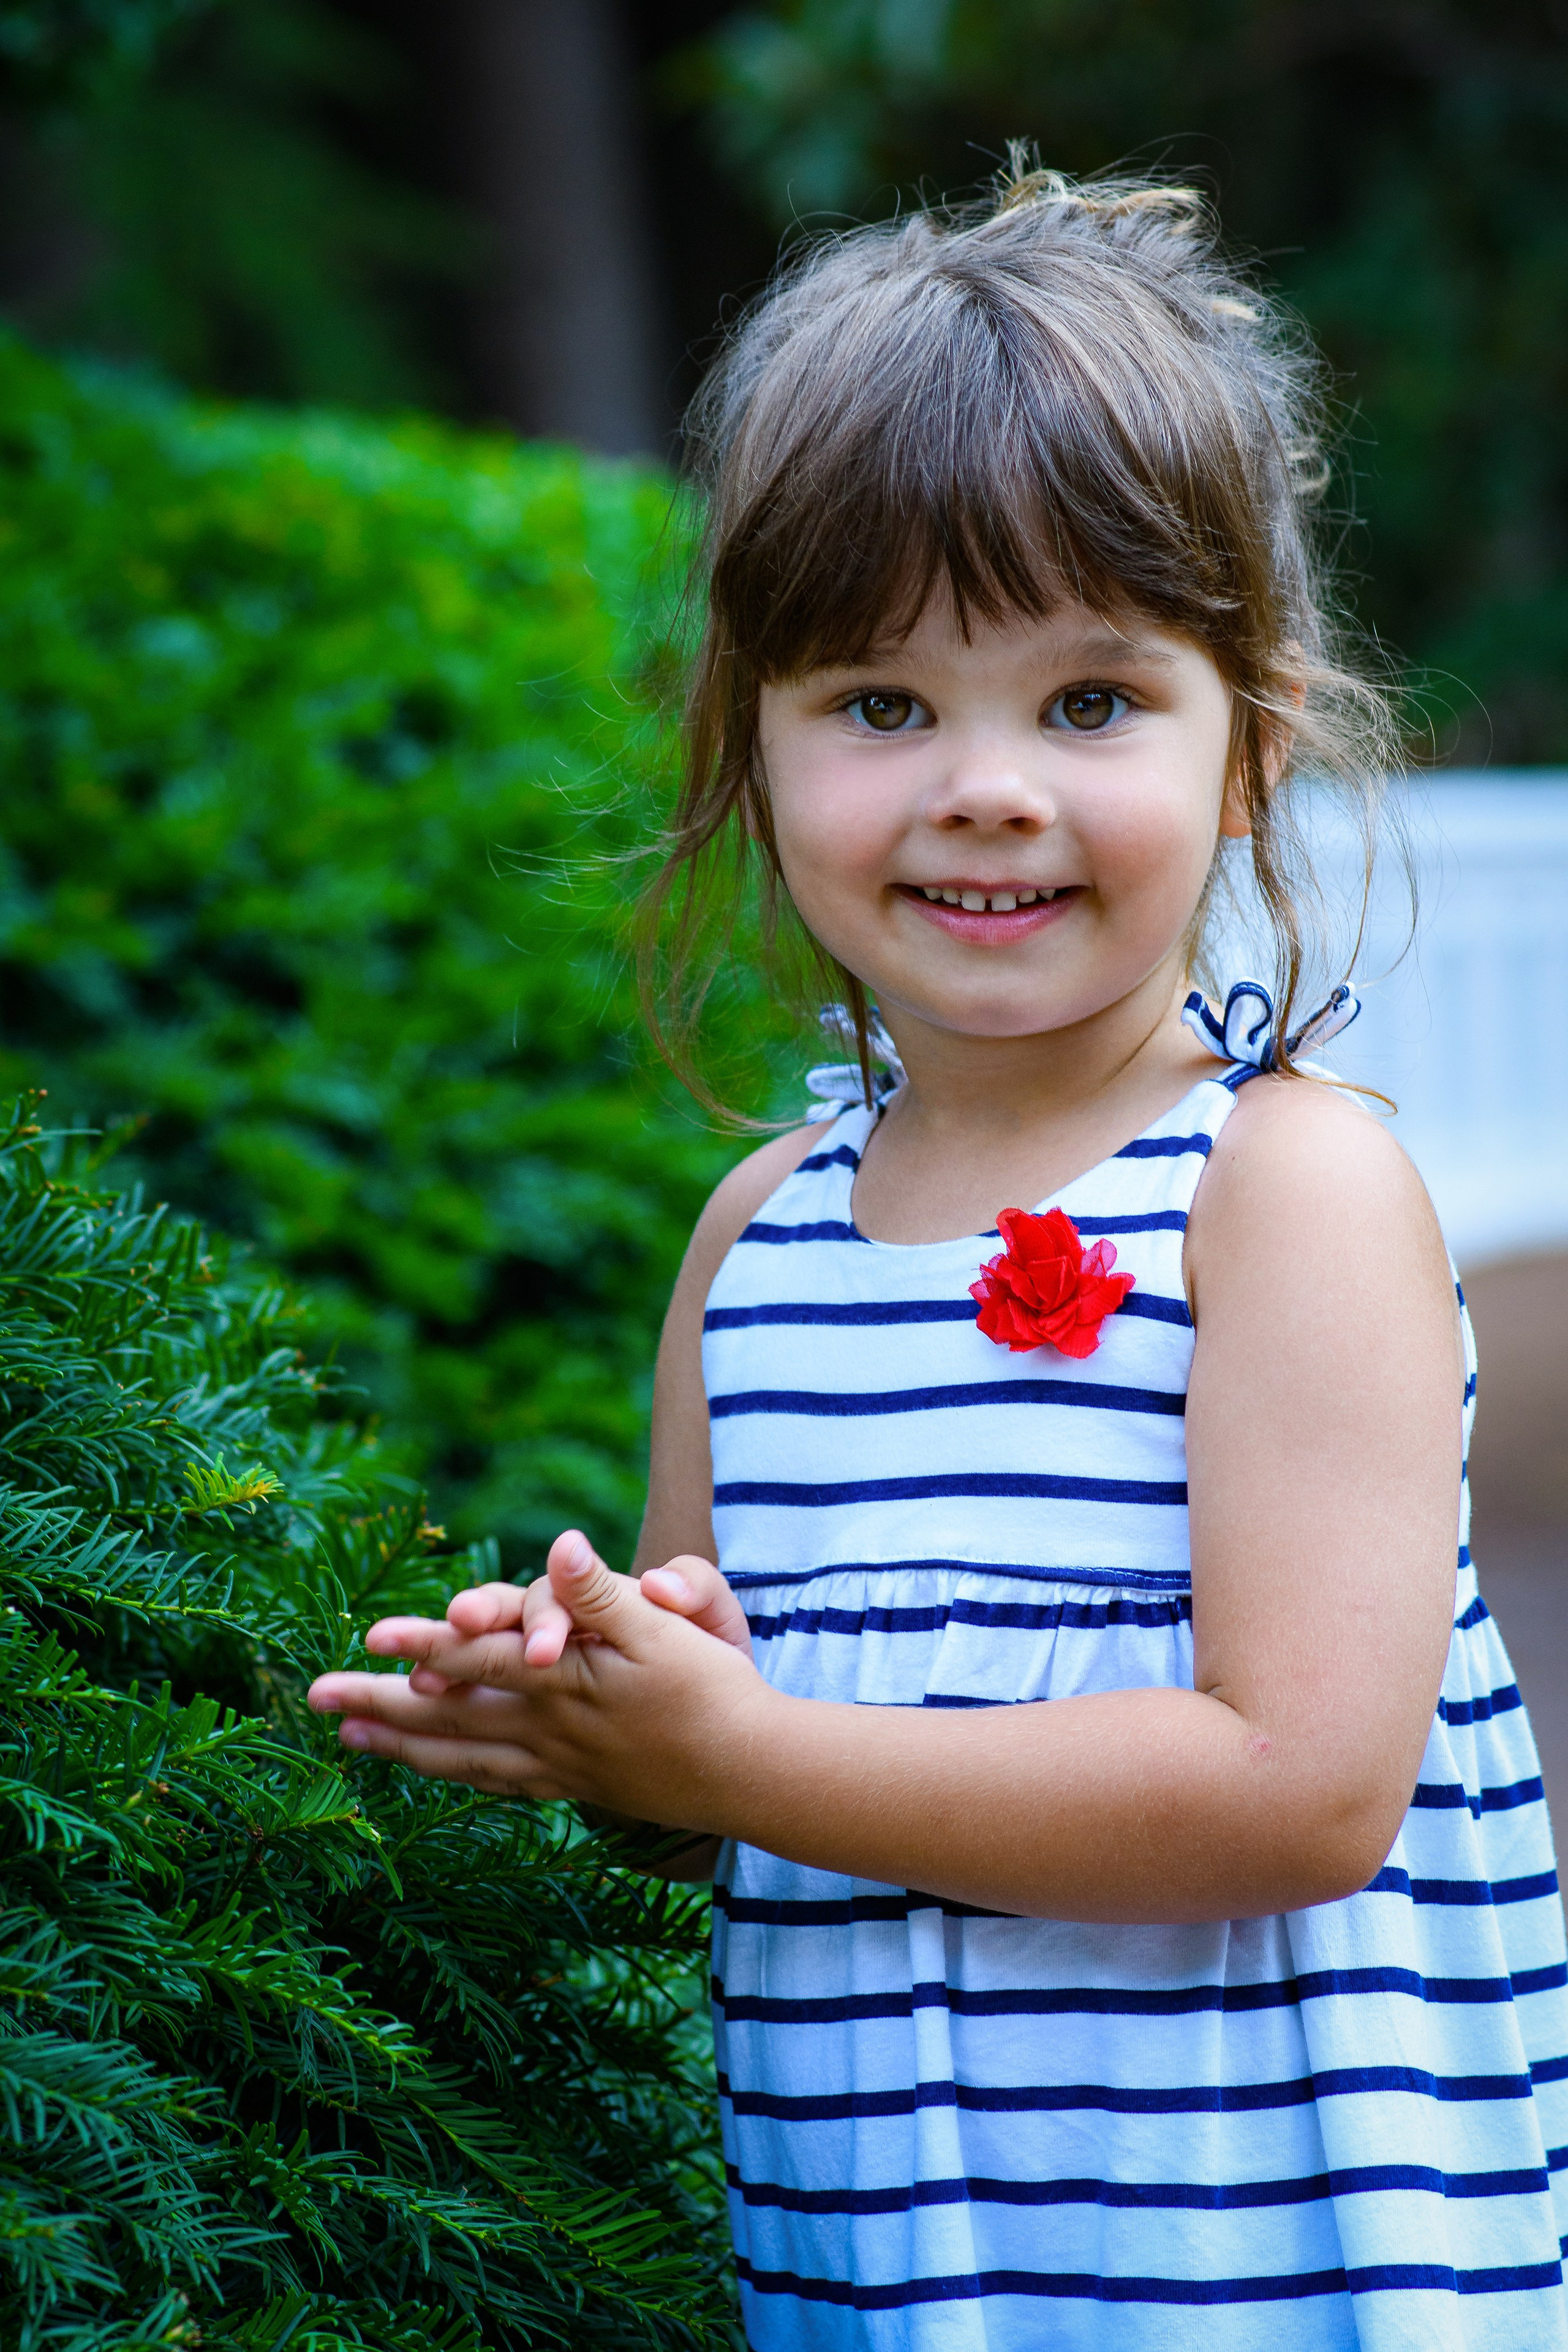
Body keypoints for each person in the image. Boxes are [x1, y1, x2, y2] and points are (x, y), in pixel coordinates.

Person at [308, 164, 1568, 2348]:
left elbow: (1302, 1786)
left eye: (1090, 702)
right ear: (753, 744)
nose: (986, 788)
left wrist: (746, 1761)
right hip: (889, 2282)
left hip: (1259, 2282)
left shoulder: (1282, 1195)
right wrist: (620, 1712)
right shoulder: (763, 1239)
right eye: (883, 705)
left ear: (1250, 744)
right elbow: (749, 1800)